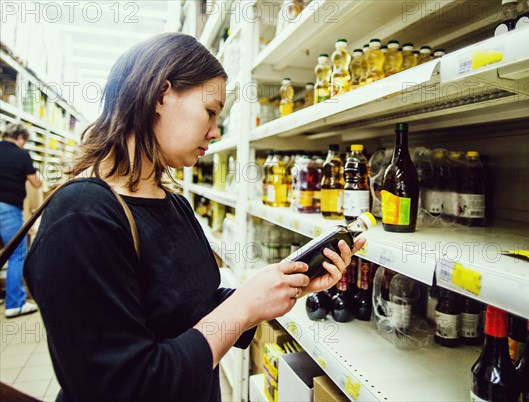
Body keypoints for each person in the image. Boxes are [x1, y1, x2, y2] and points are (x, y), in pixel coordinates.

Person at [24, 33, 366, 402]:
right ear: (160, 95)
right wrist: (243, 306)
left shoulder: (174, 204)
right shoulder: (82, 217)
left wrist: (283, 285)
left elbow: (188, 307)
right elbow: (126, 386)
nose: (215, 132)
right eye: (211, 111)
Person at [0, 123, 42, 317]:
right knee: (16, 253)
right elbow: (36, 182)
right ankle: (15, 304)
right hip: (8, 208)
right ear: (20, 137)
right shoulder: (21, 154)